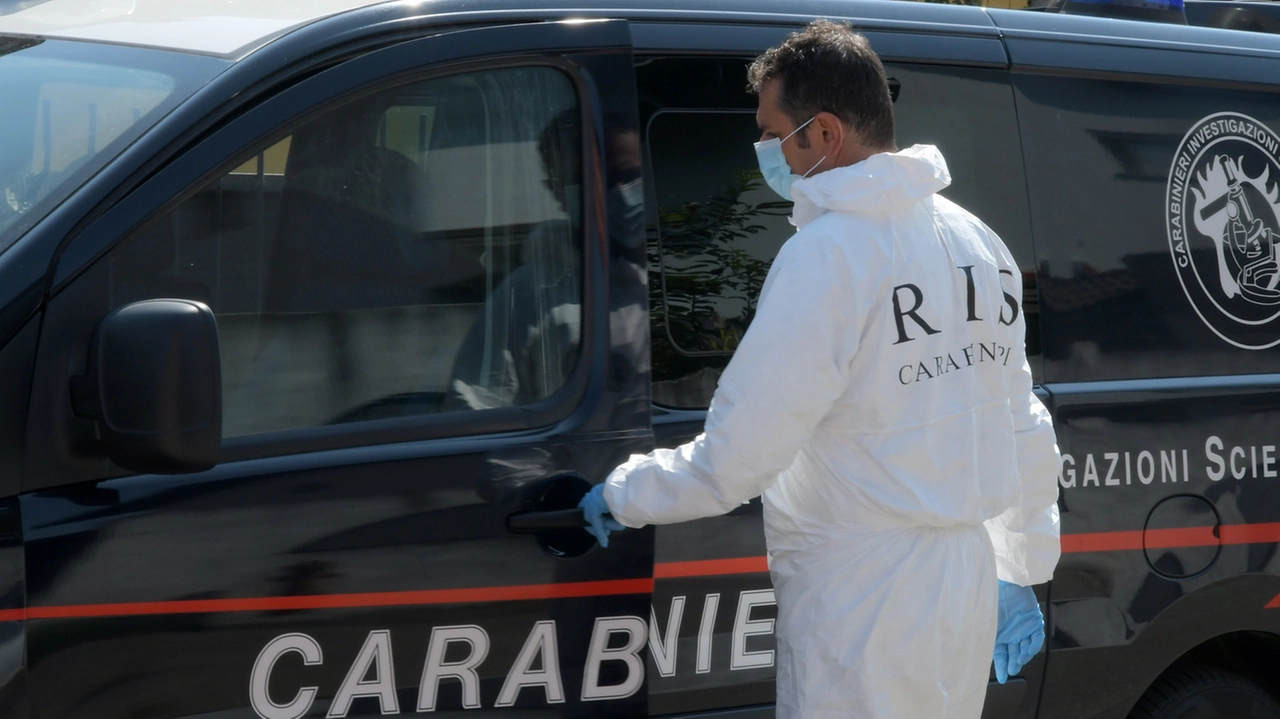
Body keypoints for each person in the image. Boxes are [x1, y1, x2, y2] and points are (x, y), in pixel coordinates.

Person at [578, 19, 1061, 719]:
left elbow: (737, 458)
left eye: (773, 132)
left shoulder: (829, 257)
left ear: (824, 134)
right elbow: (1021, 423)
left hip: (863, 603)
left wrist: (622, 494)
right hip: (962, 588)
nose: (764, 149)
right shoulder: (974, 241)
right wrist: (1020, 565)